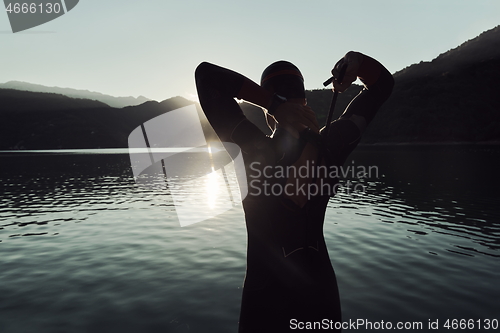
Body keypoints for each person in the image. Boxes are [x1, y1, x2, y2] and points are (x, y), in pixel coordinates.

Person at [195, 51, 394, 332]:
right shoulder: (333, 144)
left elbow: (206, 76)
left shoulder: (252, 149)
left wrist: (272, 104)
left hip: (263, 301)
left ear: (267, 113)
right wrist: (358, 64)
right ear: (305, 102)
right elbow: (383, 85)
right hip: (321, 296)